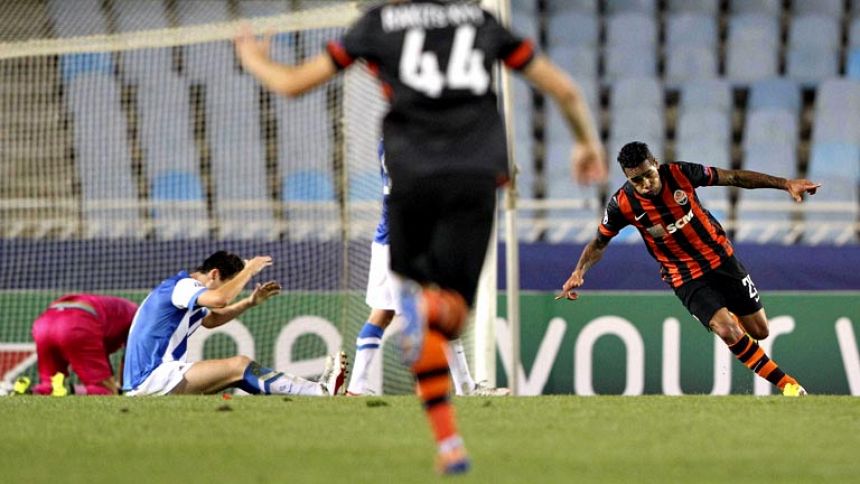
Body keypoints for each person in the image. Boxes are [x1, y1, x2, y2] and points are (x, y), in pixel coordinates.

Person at [235, 1, 604, 474]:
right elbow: (565, 89)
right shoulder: (480, 22)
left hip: (413, 182)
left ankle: (448, 439)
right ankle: (436, 345)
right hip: (475, 177)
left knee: (421, 318)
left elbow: (291, 85)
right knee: (449, 318)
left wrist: (253, 59)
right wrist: (583, 141)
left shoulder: (376, 25)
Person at [559, 141, 820, 396]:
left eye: (648, 175)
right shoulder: (622, 204)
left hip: (721, 259)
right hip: (683, 276)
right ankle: (789, 385)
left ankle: (729, 309)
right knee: (727, 330)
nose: (645, 184)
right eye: (636, 181)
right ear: (628, 179)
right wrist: (578, 271)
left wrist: (785, 183)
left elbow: (735, 178)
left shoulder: (680, 173)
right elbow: (600, 242)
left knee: (760, 331)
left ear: (656, 164)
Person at [347, 140, 510, 397]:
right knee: (440, 306)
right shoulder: (411, 147)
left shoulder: (390, 143)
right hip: (405, 242)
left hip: (386, 239)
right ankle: (464, 387)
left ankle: (356, 387)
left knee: (382, 313)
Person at [122, 250, 348, 397]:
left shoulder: (182, 292)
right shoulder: (182, 286)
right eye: (228, 284)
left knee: (239, 373)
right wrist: (249, 270)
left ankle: (315, 391)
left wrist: (249, 302)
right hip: (151, 377)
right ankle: (320, 392)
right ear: (214, 274)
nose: (228, 290)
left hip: (151, 379)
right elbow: (220, 300)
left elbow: (212, 320)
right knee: (239, 366)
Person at [31, 294, 138, 395]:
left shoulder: (120, 310)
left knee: (49, 386)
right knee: (106, 390)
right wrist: (121, 386)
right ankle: (69, 390)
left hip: (44, 323)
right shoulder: (138, 318)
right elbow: (130, 357)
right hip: (77, 323)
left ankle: (26, 390)